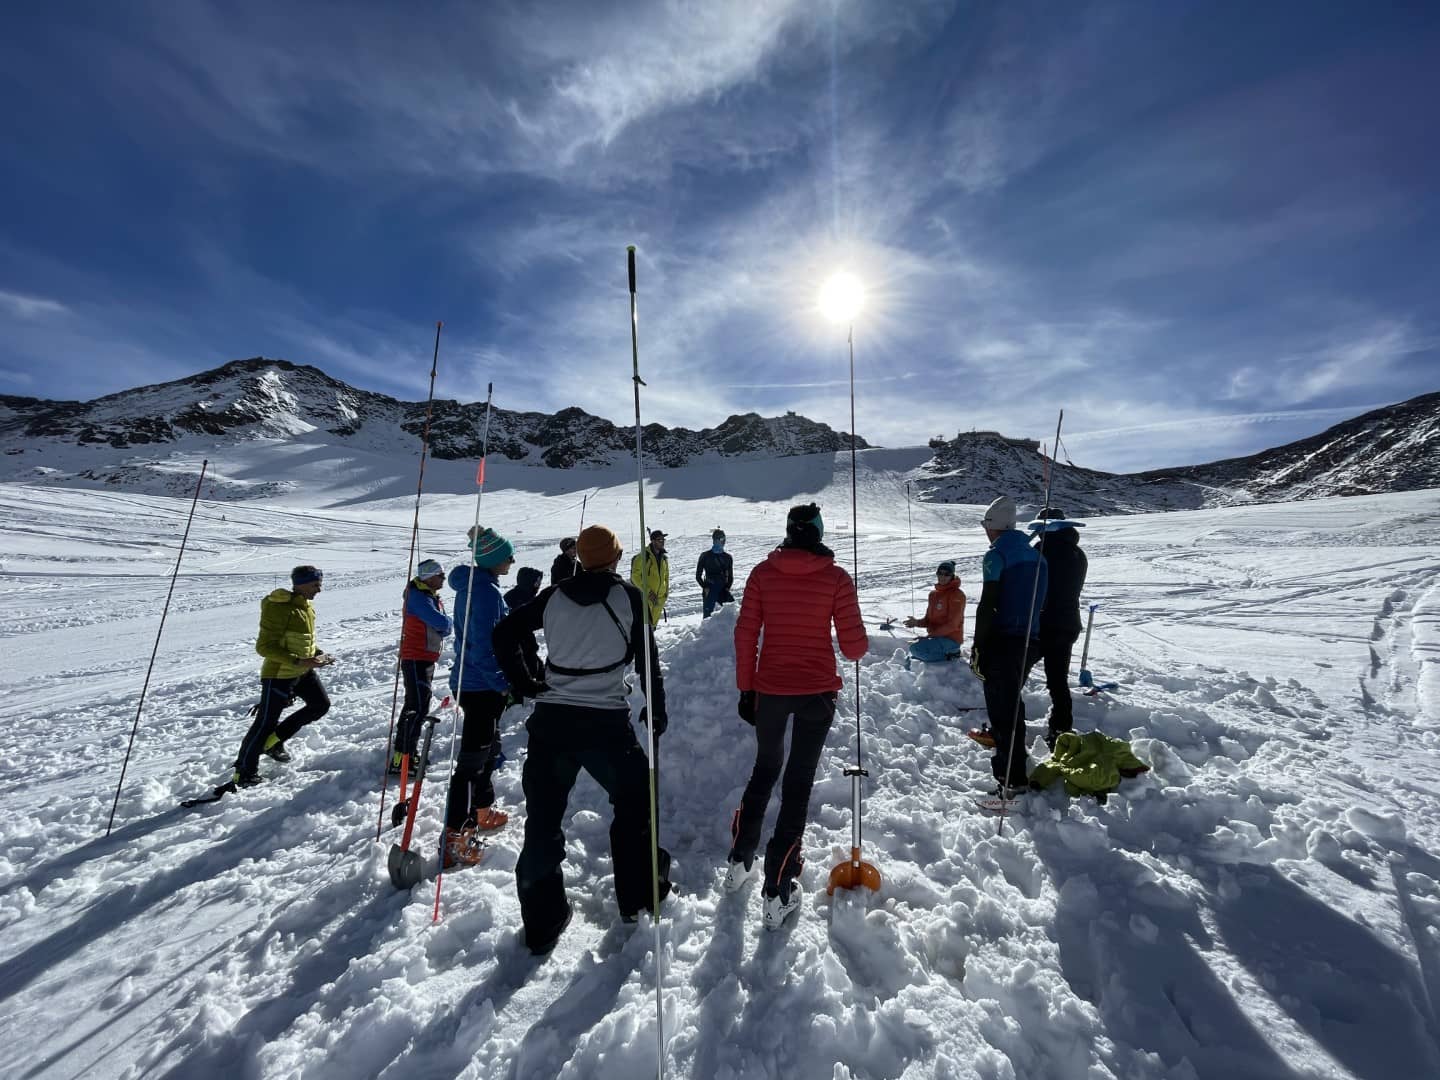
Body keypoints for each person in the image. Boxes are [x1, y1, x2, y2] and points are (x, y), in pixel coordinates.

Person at [493, 523, 672, 955]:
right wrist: (656, 705)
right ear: (614, 558)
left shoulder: (554, 596)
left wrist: (527, 681)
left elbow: (504, 633)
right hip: (606, 723)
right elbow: (647, 655)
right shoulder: (628, 596)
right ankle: (639, 898)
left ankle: (542, 921)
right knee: (635, 804)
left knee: (542, 819)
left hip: (552, 722)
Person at [727, 503, 867, 930]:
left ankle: (739, 861)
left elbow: (746, 633)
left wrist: (746, 688)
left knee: (765, 768)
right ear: (819, 534)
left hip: (769, 691)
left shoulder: (762, 574)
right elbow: (855, 648)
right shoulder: (836, 578)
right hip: (816, 693)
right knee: (798, 781)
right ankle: (779, 887)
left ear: (789, 532)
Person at [443, 527, 516, 869]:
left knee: (489, 751)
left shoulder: (478, 586)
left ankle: (482, 808)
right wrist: (501, 682)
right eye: (507, 557)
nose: (511, 562)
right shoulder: (484, 593)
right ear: (492, 560)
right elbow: (483, 645)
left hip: (472, 682)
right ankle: (457, 832)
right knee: (473, 761)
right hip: (480, 685)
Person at [970, 496, 1048, 797]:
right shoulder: (1037, 557)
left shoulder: (996, 555)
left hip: (1003, 640)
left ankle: (1010, 779)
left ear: (993, 527)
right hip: (1032, 639)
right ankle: (1015, 763)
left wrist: (978, 647)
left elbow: (987, 605)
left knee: (1003, 708)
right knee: (1012, 702)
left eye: (986, 526)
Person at [231, 565, 333, 786]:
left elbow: (301, 641)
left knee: (320, 705)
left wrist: (317, 654)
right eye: (316, 585)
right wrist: (300, 660)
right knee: (264, 723)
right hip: (279, 674)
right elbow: (265, 647)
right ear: (301, 584)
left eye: (320, 584)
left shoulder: (306, 606)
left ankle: (274, 742)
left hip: (302, 671)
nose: (319, 590)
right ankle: (244, 772)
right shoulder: (279, 607)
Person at [1028, 508, 1088, 748]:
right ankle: (1061, 729)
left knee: (1015, 672)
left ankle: (1007, 722)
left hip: (1043, 624)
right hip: (1068, 623)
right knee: (1058, 680)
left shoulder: (1043, 551)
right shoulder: (1077, 552)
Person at [390, 558, 453, 774]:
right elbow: (441, 622)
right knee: (416, 707)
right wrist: (447, 625)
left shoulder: (426, 595)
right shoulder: (419, 596)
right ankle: (403, 757)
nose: (443, 578)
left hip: (423, 656)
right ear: (428, 576)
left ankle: (404, 754)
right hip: (417, 657)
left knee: (416, 705)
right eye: (440, 575)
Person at [904, 560, 966, 665]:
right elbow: (929, 620)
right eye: (940, 573)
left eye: (947, 574)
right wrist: (916, 622)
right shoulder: (933, 595)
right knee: (910, 658)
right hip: (936, 638)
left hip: (951, 640)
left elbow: (953, 625)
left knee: (915, 649)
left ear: (952, 576)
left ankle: (951, 657)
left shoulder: (956, 595)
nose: (943, 576)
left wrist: (930, 636)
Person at [630, 529, 669, 627]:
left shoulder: (664, 558)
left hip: (659, 599)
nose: (662, 542)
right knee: (644, 627)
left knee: (652, 626)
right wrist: (647, 592)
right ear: (653, 541)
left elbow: (666, 577)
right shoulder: (643, 556)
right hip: (647, 597)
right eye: (660, 540)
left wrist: (665, 593)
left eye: (663, 540)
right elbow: (635, 577)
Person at [695, 528, 734, 618]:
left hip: (722, 589)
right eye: (721, 539)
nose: (723, 542)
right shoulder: (705, 556)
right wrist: (705, 587)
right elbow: (698, 576)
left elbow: (731, 576)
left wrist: (727, 587)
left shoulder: (727, 557)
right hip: (710, 589)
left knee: (733, 611)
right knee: (707, 618)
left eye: (724, 539)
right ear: (714, 540)